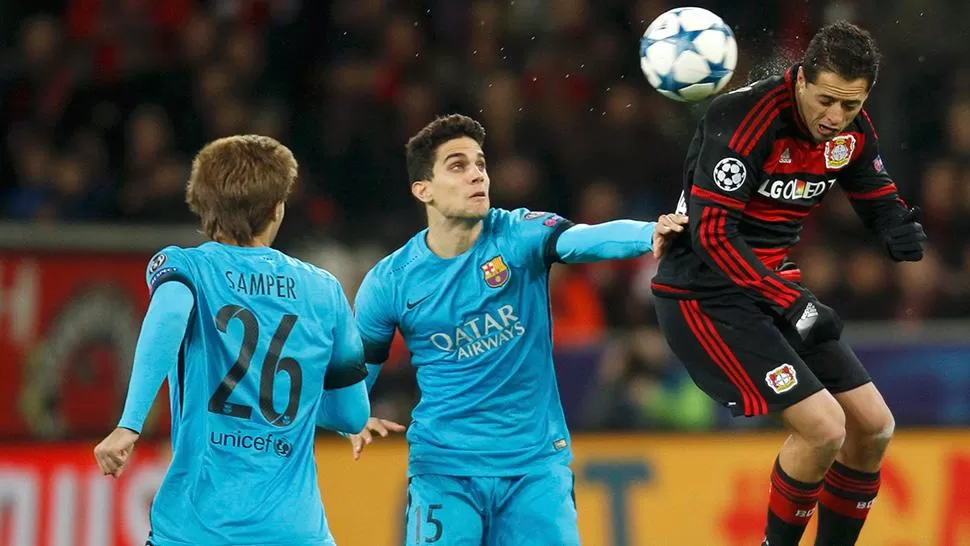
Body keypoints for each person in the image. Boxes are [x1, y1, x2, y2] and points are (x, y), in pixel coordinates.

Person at [349, 113, 688, 545]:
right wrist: (349, 416)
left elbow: (583, 239)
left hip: (535, 470)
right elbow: (359, 372)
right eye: (458, 165)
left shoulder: (516, 233)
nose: (476, 175)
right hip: (445, 472)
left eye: (480, 164)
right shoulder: (391, 280)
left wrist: (649, 232)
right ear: (423, 190)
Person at [650, 21, 927, 546]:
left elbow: (873, 188)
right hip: (702, 296)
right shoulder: (741, 120)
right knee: (823, 428)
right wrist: (792, 302)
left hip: (769, 289)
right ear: (800, 79)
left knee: (873, 426)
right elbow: (711, 235)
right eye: (826, 101)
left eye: (850, 105)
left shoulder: (850, 130)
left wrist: (896, 222)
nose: (835, 118)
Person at [93, 135, 370, 546]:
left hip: (199, 528)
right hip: (296, 532)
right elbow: (352, 416)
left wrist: (128, 425)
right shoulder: (325, 290)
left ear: (202, 207)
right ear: (277, 209)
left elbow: (169, 312)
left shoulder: (187, 267)